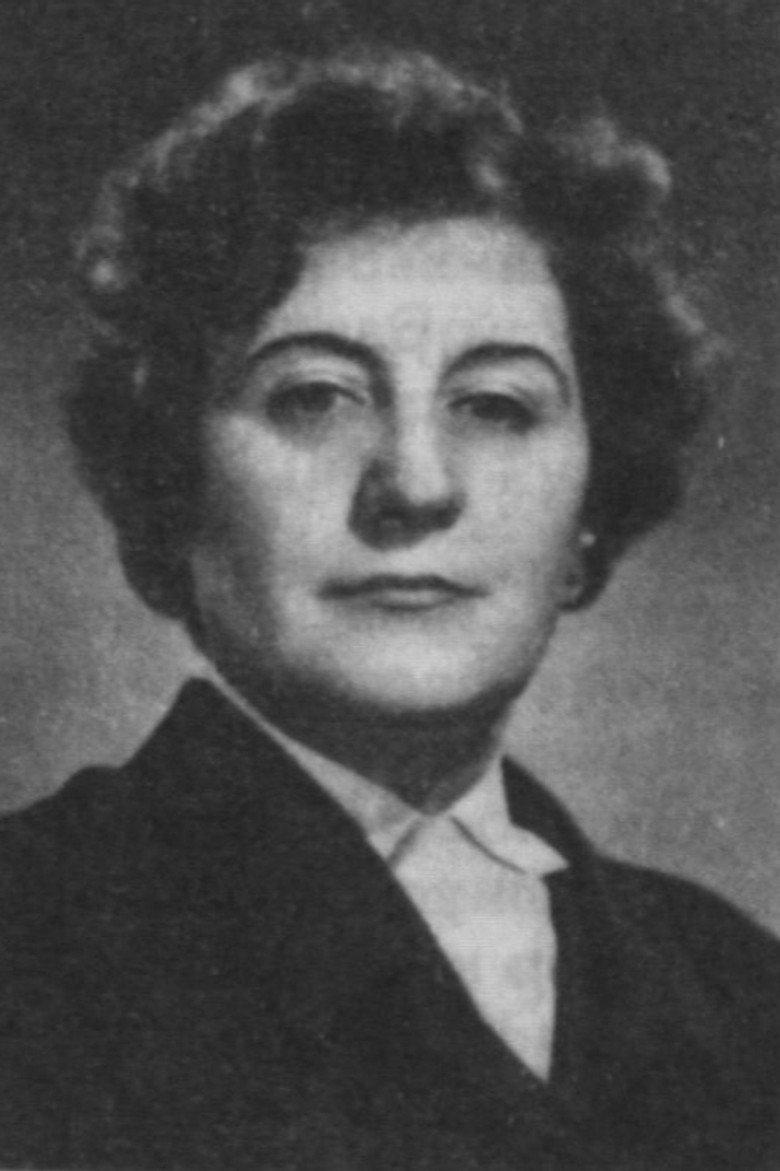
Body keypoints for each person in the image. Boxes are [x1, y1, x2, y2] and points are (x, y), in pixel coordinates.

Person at [0, 45, 778, 1171]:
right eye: (315, 397)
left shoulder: (735, 986)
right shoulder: (32, 937)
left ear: (588, 515)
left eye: (498, 405)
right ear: (173, 490)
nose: (416, 484)